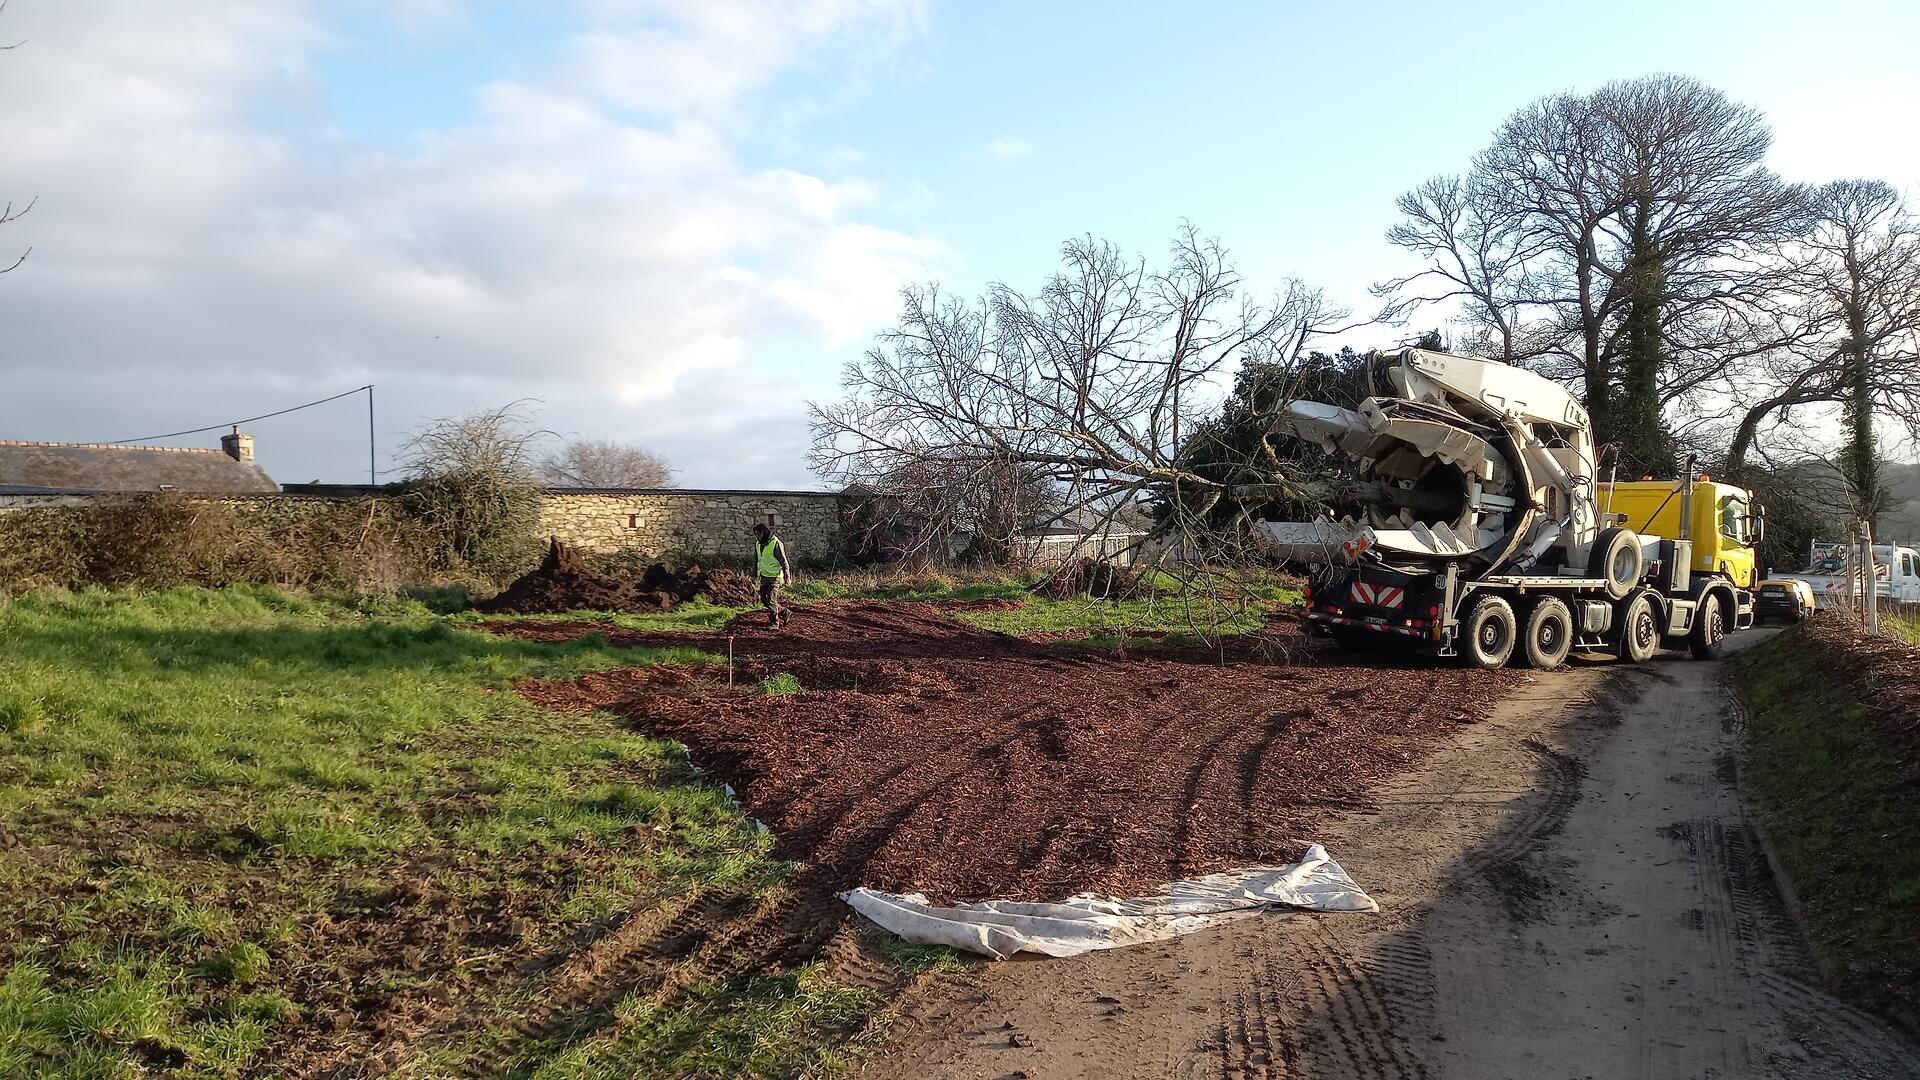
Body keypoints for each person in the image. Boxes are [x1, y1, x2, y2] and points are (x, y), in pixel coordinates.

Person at [752, 522, 791, 629]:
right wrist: (754, 574)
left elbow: (784, 561)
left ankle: (775, 623)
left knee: (771, 599)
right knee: (764, 599)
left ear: (764, 533)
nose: (757, 536)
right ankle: (784, 612)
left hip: (775, 577)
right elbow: (756, 560)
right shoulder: (758, 544)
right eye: (755, 534)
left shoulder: (776, 543)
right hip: (764, 576)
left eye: (758, 534)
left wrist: (787, 576)